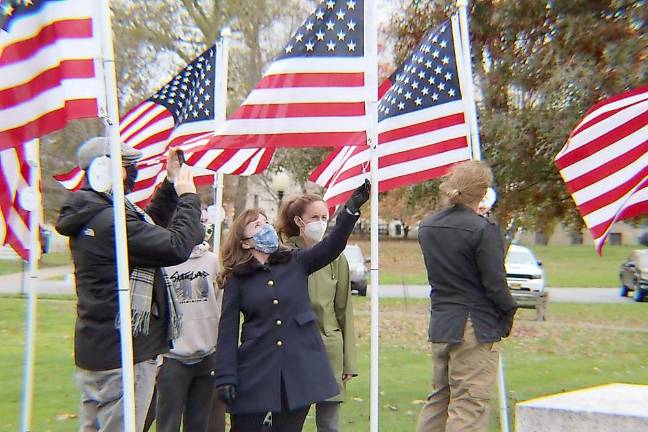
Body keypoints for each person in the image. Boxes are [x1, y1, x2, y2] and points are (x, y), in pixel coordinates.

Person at [56, 137, 204, 432]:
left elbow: (148, 230)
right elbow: (174, 245)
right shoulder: (111, 222)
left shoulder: (96, 214)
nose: (132, 172)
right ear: (102, 169)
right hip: (124, 353)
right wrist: (188, 197)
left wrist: (169, 185)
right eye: (126, 167)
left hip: (98, 347)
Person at [214, 180, 370, 432]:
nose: (265, 228)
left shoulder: (296, 262)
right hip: (256, 369)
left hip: (298, 369)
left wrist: (350, 210)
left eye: (266, 223)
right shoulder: (238, 279)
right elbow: (228, 331)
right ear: (245, 242)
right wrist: (225, 376)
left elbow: (332, 246)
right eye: (257, 226)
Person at [415, 161, 517, 432]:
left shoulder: (428, 227)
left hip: (442, 321)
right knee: (469, 402)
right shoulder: (482, 230)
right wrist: (509, 311)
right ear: (482, 192)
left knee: (439, 398)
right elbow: (495, 284)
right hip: (475, 323)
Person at [276, 194, 358, 432]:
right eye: (314, 217)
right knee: (288, 422)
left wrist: (348, 362)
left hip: (329, 351)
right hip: (293, 351)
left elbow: (344, 310)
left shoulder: (338, 260)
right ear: (299, 221)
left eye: (325, 217)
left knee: (329, 424)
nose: (320, 223)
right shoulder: (283, 255)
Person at [154, 209, 226, 432]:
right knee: (168, 423)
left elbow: (221, 305)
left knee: (199, 423)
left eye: (203, 221)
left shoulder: (213, 262)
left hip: (206, 356)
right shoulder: (163, 262)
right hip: (172, 358)